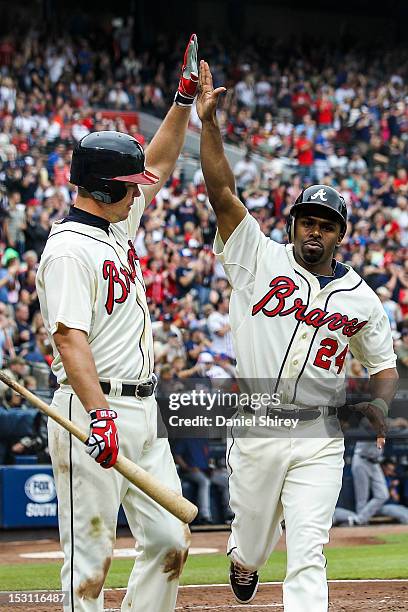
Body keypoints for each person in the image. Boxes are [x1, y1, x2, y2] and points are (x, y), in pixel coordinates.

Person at [197, 60, 398, 610]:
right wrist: (209, 125)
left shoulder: (361, 297)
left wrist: (380, 405)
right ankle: (243, 557)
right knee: (257, 544)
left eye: (326, 224)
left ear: (341, 234)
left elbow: (383, 367)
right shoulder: (257, 258)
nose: (314, 230)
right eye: (306, 220)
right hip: (259, 425)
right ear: (292, 226)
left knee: (309, 549)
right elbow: (223, 194)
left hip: (320, 437)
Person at [35, 35, 199, 612]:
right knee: (89, 561)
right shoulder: (67, 250)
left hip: (140, 410)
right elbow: (67, 335)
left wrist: (180, 102)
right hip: (91, 410)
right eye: (127, 188)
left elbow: (154, 163)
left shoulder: (113, 228)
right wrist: (99, 411)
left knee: (170, 541)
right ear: (105, 189)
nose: (139, 194)